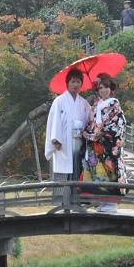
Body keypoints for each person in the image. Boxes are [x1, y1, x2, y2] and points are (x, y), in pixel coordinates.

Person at [81, 75, 127, 212]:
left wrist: (103, 131)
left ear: (111, 88)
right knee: (97, 173)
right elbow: (91, 123)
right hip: (96, 146)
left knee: (110, 173)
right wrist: (87, 131)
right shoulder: (95, 105)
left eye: (106, 87)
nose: (104, 90)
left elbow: (119, 123)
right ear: (97, 89)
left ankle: (111, 204)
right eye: (100, 87)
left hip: (108, 145)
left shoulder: (114, 103)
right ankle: (102, 202)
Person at [45, 69, 91, 204]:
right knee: (63, 171)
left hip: (79, 142)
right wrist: (55, 139)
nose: (75, 85)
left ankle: (77, 201)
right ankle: (61, 202)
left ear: (81, 84)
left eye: (78, 82)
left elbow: (89, 120)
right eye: (73, 81)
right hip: (63, 142)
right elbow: (54, 121)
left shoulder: (84, 103)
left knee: (78, 169)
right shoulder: (59, 101)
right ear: (67, 83)